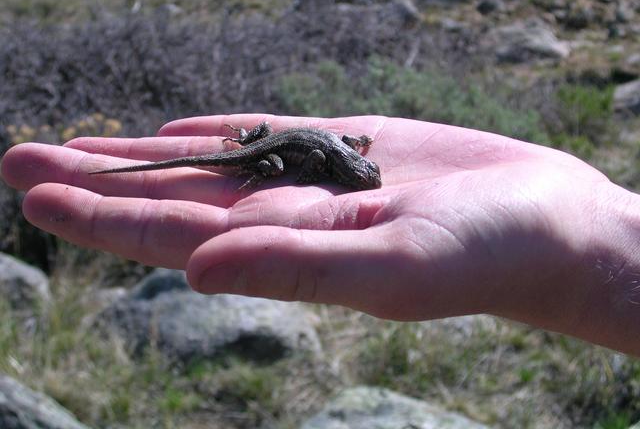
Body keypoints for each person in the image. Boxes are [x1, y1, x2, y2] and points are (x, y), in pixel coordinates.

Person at [2, 114, 639, 356]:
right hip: (266, 151)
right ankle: (247, 165)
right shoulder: (329, 160)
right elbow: (309, 156)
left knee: (263, 158)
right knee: (266, 165)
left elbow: (353, 151)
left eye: (365, 174)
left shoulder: (346, 158)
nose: (365, 177)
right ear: (347, 169)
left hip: (272, 141)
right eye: (361, 176)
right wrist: (254, 168)